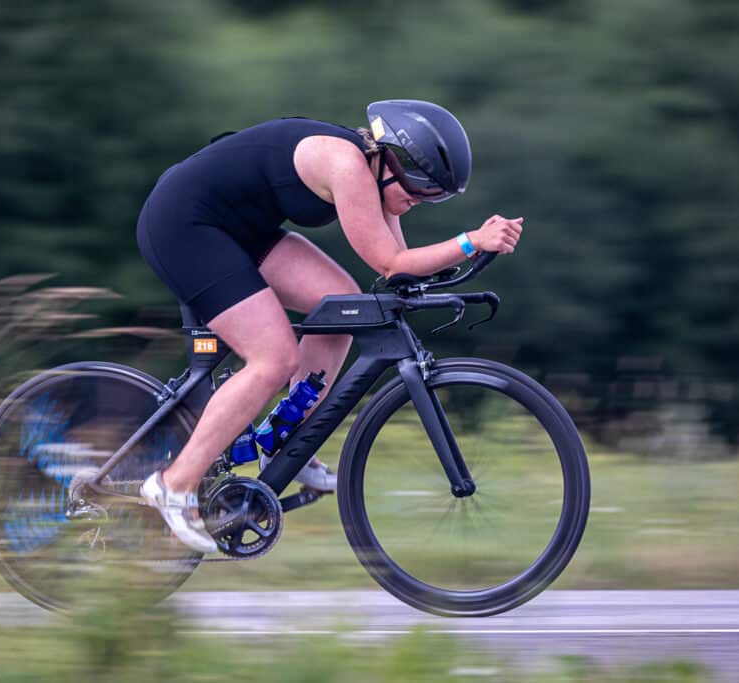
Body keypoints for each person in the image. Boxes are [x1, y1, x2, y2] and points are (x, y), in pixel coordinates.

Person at [135, 99, 524, 552]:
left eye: (432, 196)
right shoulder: (347, 167)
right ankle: (174, 485)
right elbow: (391, 262)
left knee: (341, 308)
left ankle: (285, 442)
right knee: (273, 358)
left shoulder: (379, 172)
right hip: (184, 225)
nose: (418, 201)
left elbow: (401, 270)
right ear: (392, 162)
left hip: (239, 230)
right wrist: (471, 241)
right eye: (419, 190)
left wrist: (464, 257)